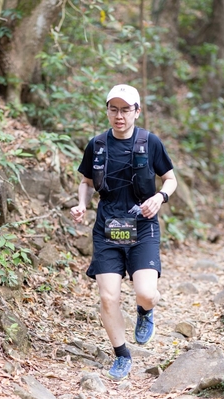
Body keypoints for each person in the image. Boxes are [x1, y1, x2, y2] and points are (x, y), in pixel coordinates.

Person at [70, 84, 177, 381]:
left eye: (126, 110)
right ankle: (121, 355)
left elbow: (170, 179)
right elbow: (86, 182)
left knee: (146, 294)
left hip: (142, 226)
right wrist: (81, 204)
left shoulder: (150, 142)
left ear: (137, 111)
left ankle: (145, 311)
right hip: (108, 227)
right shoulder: (97, 144)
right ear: (107, 111)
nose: (119, 116)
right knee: (108, 298)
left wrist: (160, 197)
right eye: (113, 109)